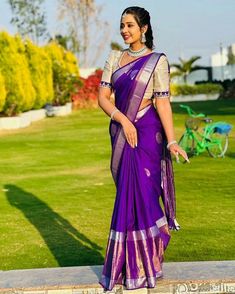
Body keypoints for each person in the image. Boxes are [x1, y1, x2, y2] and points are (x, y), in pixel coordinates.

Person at [98, 6, 189, 291]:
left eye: (130, 26)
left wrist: (172, 140)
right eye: (122, 26)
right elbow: (103, 97)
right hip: (124, 133)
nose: (124, 31)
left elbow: (162, 102)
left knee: (146, 196)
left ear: (144, 28)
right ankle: (127, 266)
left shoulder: (157, 61)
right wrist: (123, 120)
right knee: (127, 194)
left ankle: (149, 259)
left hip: (148, 134)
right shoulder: (114, 58)